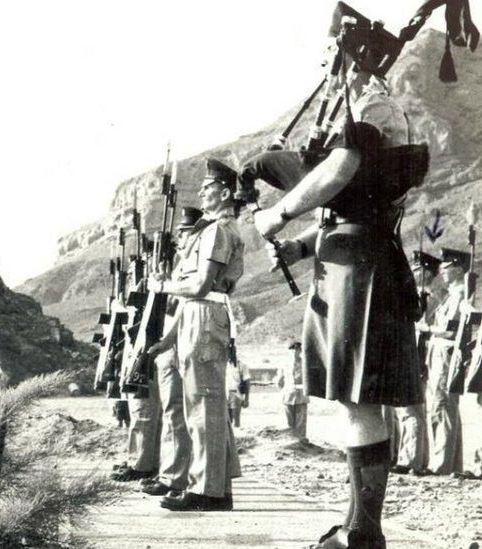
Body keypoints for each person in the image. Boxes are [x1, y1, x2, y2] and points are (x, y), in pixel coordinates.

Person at [250, 40, 425, 545]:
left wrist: (278, 213)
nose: (323, 67)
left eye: (330, 57)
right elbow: (349, 208)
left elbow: (341, 169)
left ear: (350, 54)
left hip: (364, 268)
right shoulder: (361, 106)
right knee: (354, 402)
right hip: (348, 261)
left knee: (362, 400)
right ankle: (356, 527)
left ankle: (365, 534)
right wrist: (301, 249)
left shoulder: (373, 105)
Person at [146, 158, 245, 512]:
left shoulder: (217, 230)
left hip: (203, 312)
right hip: (198, 313)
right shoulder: (212, 228)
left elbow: (202, 283)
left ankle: (207, 490)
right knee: (204, 404)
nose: (202, 192)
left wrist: (163, 285)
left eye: (208, 187)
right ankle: (216, 486)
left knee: (203, 405)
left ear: (225, 192)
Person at [140, 207, 203, 497]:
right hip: (171, 341)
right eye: (179, 234)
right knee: (172, 411)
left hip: (181, 340)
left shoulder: (190, 267)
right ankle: (172, 474)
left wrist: (164, 286)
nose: (181, 239)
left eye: (186, 233)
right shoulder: (178, 266)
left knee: (179, 411)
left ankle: (177, 476)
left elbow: (180, 302)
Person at [420, 248, 469, 475]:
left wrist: (427, 329)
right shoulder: (453, 293)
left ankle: (441, 464)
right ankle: (450, 463)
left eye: (447, 268)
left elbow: (451, 331)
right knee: (444, 407)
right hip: (439, 352)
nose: (442, 271)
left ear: (458, 270)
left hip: (446, 353)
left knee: (442, 407)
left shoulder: (460, 294)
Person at [392, 251, 441, 474]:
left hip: (416, 357)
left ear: (425, 273)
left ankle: (411, 459)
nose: (413, 273)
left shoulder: (428, 299)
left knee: (411, 410)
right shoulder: (419, 297)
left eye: (417, 270)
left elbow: (422, 330)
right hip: (409, 355)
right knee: (406, 411)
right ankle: (412, 457)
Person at [275, 341, 309, 442]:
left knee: (301, 422)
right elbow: (279, 381)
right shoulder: (284, 364)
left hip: (301, 395)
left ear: (300, 351)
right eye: (292, 350)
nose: (294, 352)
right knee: (289, 422)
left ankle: (301, 442)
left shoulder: (305, 363)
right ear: (289, 351)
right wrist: (284, 391)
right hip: (288, 395)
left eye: (297, 349)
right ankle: (291, 443)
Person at [226, 357, 250, 429]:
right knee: (226, 421)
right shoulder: (223, 365)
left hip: (236, 394)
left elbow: (247, 382)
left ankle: (236, 437)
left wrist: (246, 399)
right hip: (224, 395)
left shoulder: (242, 366)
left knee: (235, 420)